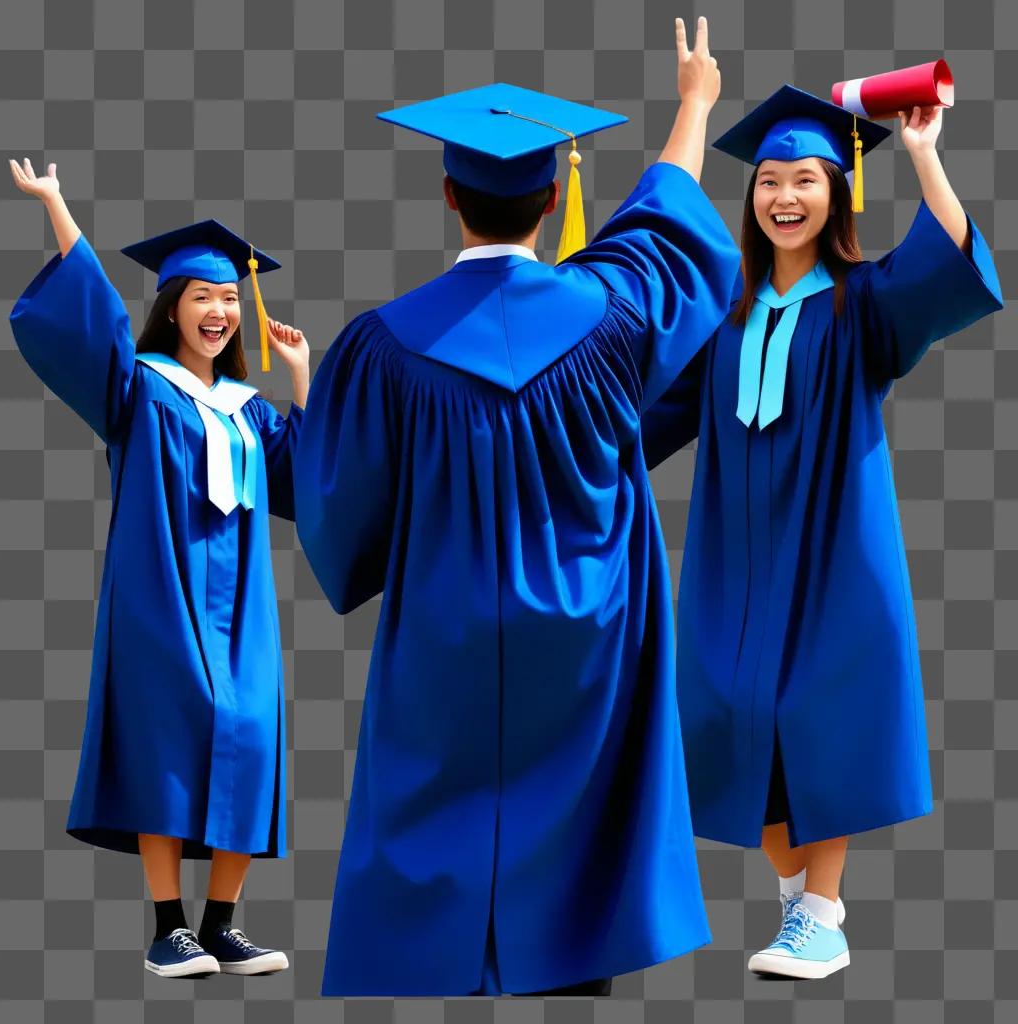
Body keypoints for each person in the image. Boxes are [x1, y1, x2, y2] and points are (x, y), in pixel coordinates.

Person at [293, 17, 740, 997]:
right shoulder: (613, 310)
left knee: (440, 807)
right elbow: (665, 224)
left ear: (447, 194)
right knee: (582, 825)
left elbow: (338, 504)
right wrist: (693, 103)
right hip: (590, 635)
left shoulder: (382, 346)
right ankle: (577, 962)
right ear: (551, 200)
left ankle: (441, 957)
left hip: (444, 639)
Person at [639, 86, 1003, 980]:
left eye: (806, 179)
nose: (785, 196)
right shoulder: (724, 313)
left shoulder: (863, 302)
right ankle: (808, 897)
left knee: (816, 719)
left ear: (839, 194)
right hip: (732, 563)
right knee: (721, 721)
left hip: (834, 552)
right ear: (752, 197)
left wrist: (923, 153)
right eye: (769, 181)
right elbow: (648, 417)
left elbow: (950, 261)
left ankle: (823, 914)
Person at [8, 157, 311, 980]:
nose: (216, 311)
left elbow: (308, 481)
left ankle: (223, 924)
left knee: (249, 732)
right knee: (169, 736)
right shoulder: (140, 389)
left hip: (242, 602)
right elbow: (92, 320)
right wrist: (59, 208)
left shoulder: (249, 411)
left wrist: (300, 379)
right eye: (200, 297)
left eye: (225, 299)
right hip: (162, 591)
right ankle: (167, 927)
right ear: (170, 307)